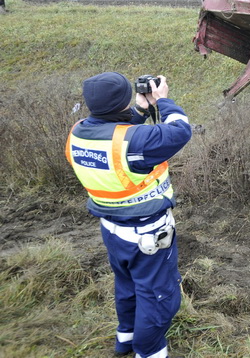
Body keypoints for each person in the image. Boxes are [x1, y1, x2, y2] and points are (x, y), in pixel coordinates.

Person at [65, 72, 192, 358]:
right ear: (121, 101)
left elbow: (117, 137)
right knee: (158, 295)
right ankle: (148, 351)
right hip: (148, 235)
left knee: (128, 286)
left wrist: (139, 111)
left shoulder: (78, 132)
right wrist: (163, 100)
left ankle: (126, 339)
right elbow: (180, 130)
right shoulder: (136, 142)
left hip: (111, 230)